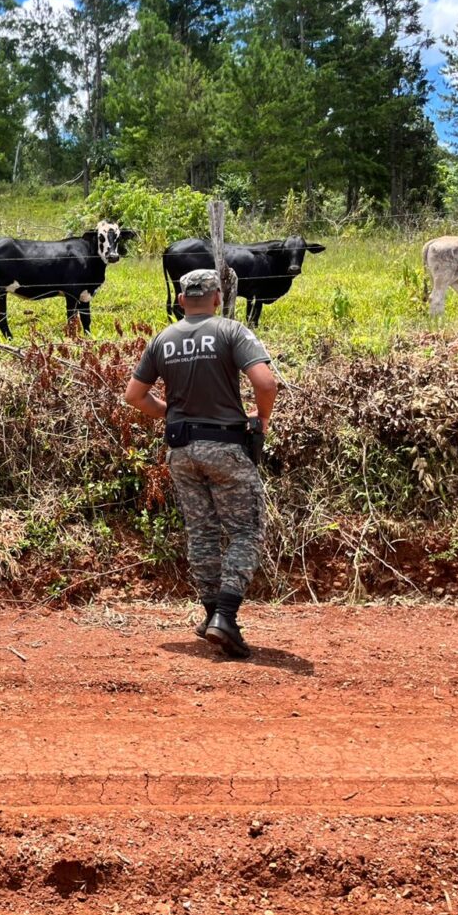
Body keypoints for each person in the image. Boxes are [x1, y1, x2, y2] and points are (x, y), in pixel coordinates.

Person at [123, 269, 278, 659]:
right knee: (245, 531)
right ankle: (225, 615)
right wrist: (262, 418)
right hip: (225, 446)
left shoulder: (163, 339)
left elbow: (134, 396)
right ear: (217, 298)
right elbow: (266, 382)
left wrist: (169, 412)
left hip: (180, 448)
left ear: (180, 301)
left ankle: (213, 617)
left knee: (202, 534)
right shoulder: (230, 330)